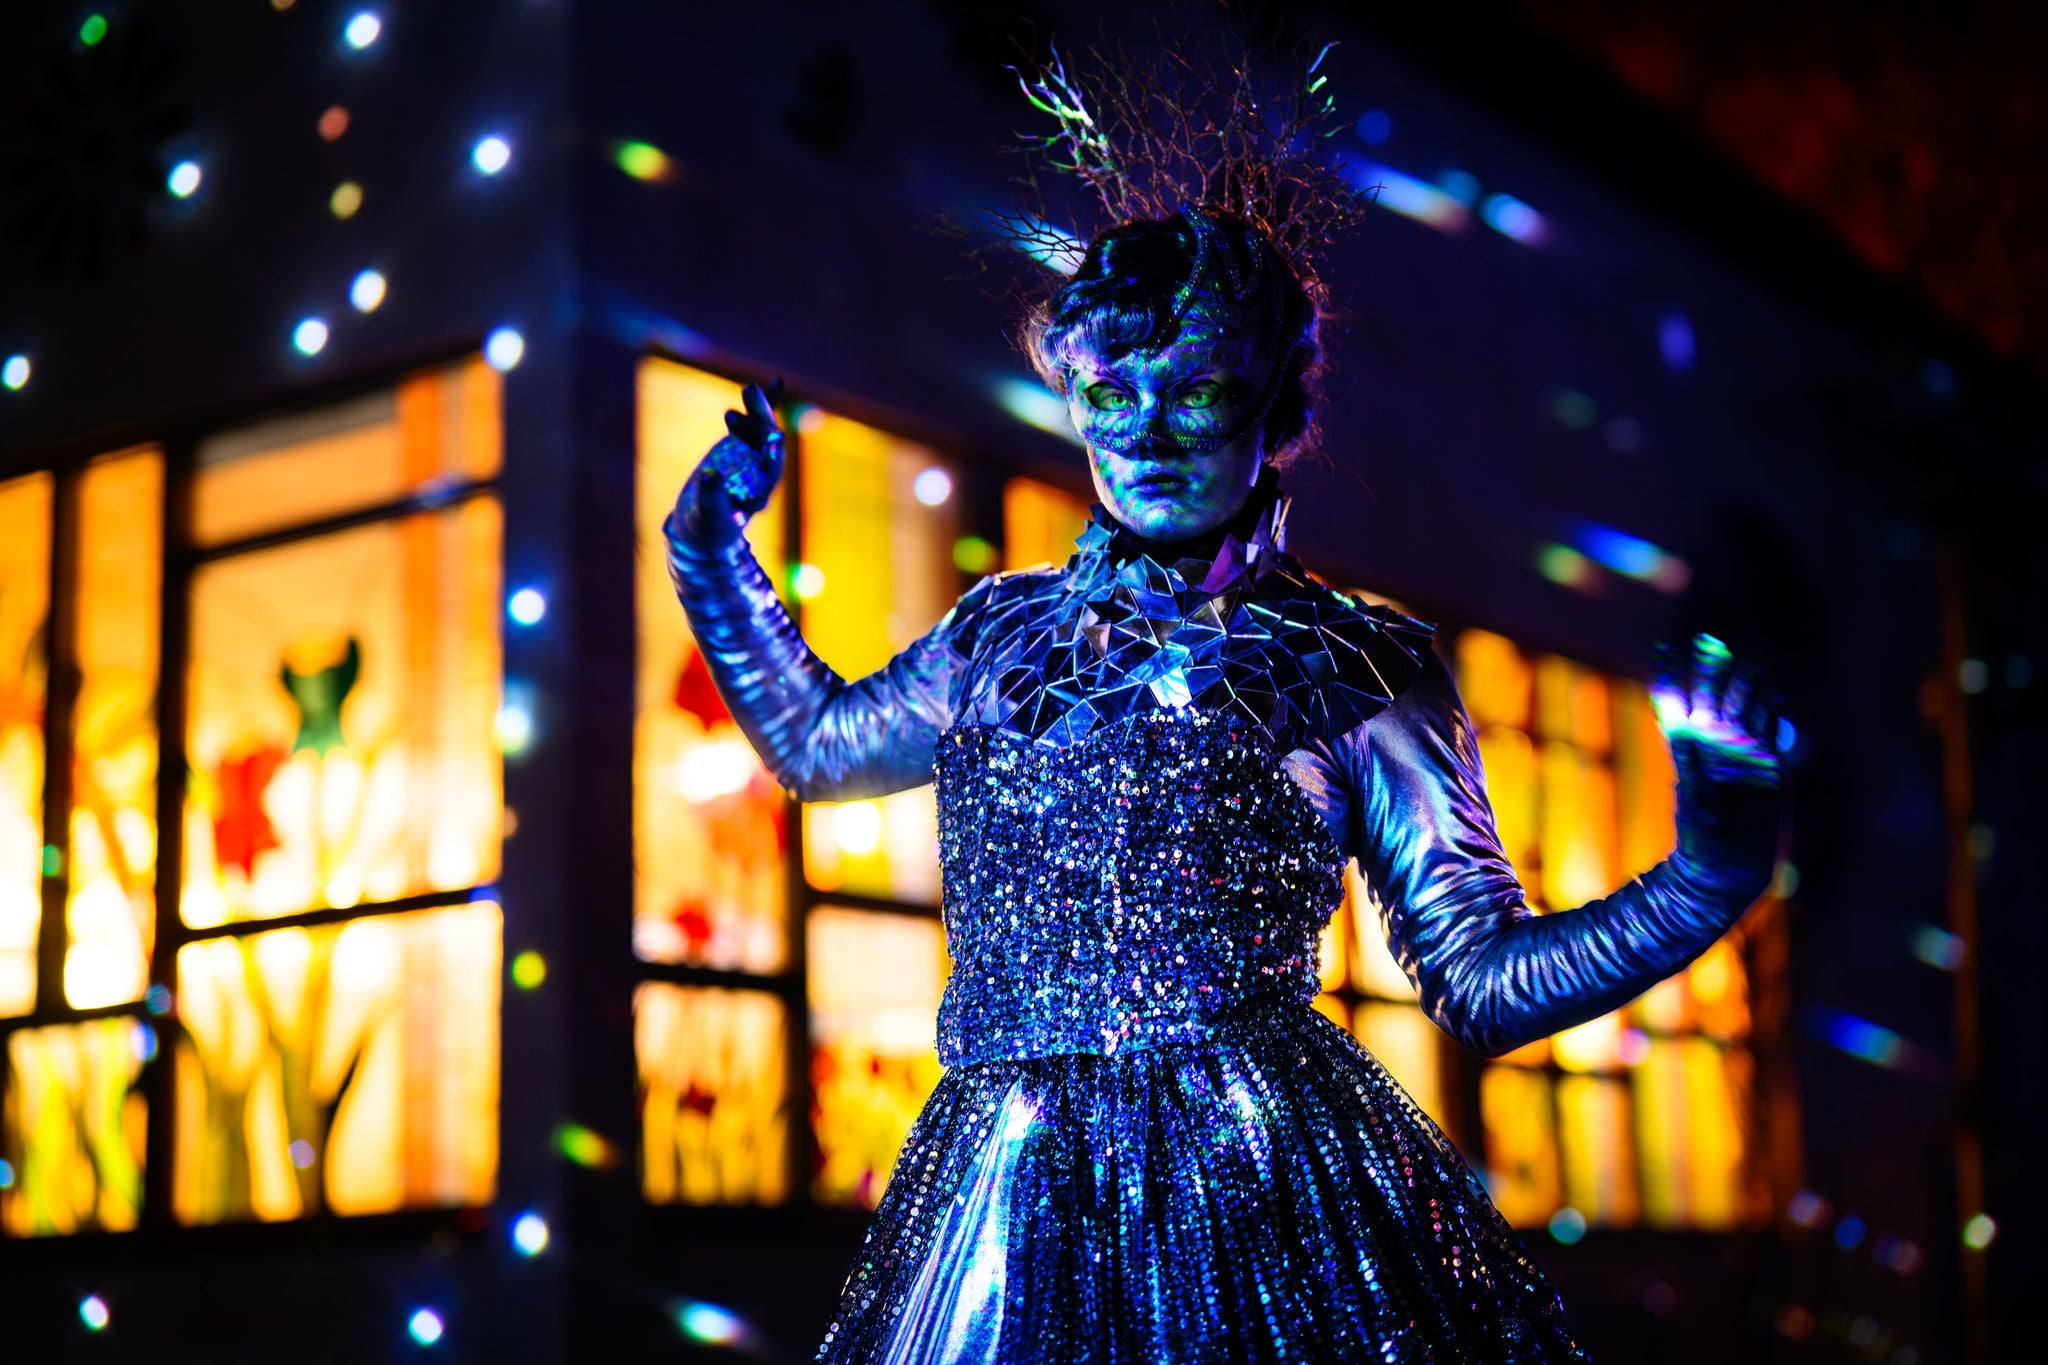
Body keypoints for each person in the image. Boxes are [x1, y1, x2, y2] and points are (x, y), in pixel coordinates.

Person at [665, 54, 1785, 1365]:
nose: (1141, 432)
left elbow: (1482, 978)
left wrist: (1714, 864)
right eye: (1107, 394)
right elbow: (813, 744)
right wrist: (710, 552)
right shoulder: (996, 635)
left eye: (1192, 388)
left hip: (1258, 1204)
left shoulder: (1356, 662)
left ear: (1273, 402)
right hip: (1009, 1201)